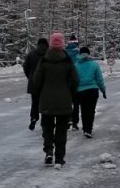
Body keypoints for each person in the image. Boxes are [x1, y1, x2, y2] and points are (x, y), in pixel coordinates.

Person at [32, 32, 78, 168]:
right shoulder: (67, 60)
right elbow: (75, 80)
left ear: (51, 44)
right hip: (64, 101)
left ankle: (48, 151)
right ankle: (59, 158)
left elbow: (36, 81)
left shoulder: (44, 60)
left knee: (47, 127)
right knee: (61, 131)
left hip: (46, 101)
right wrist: (68, 89)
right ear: (62, 44)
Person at [73, 45, 107, 138]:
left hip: (80, 92)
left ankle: (85, 129)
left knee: (84, 110)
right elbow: (99, 79)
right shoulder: (94, 64)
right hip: (93, 91)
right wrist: (103, 90)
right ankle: (89, 129)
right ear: (88, 54)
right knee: (91, 110)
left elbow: (74, 80)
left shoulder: (76, 65)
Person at [22, 37, 49, 130]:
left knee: (35, 102)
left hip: (33, 83)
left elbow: (25, 67)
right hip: (46, 84)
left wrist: (30, 76)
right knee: (45, 103)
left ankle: (33, 118)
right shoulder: (48, 54)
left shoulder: (31, 54)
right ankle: (44, 122)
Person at [66, 33, 80, 128]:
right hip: (76, 81)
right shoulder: (79, 54)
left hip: (66, 81)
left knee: (67, 102)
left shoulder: (64, 53)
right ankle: (75, 122)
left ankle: (68, 119)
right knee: (76, 102)